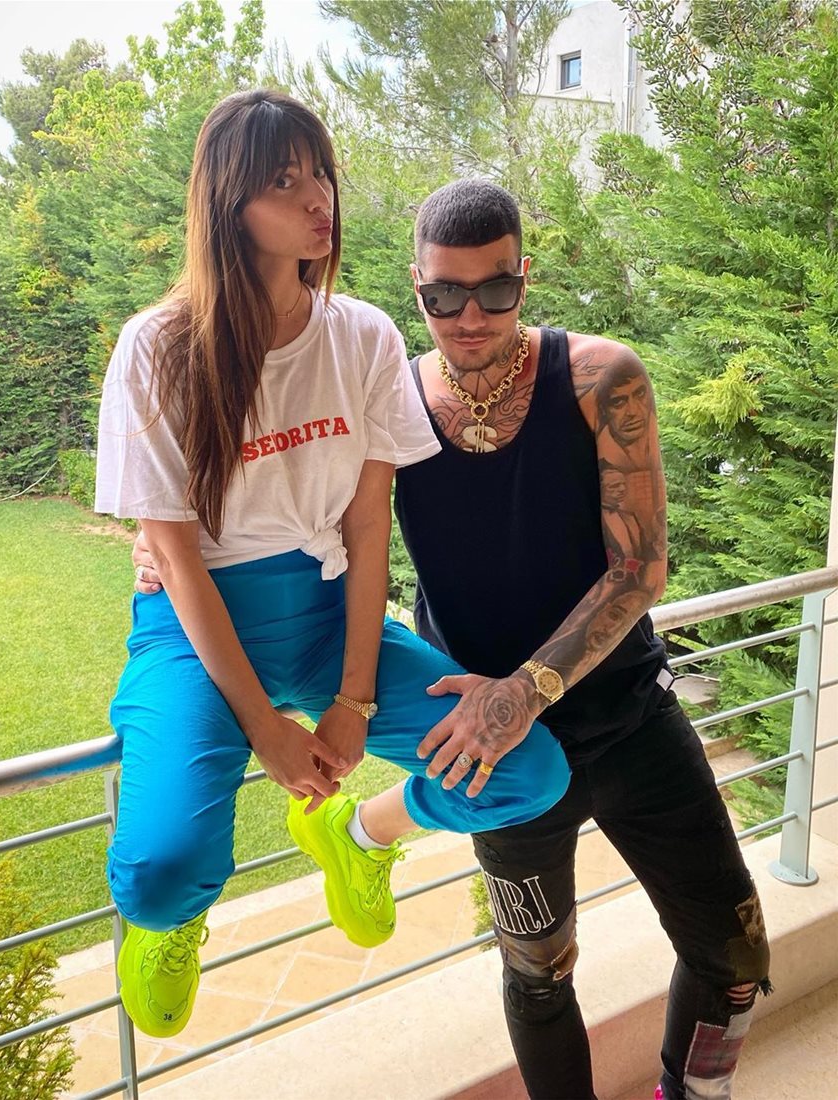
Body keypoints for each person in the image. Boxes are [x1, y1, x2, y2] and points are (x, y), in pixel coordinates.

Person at [131, 174, 771, 1098]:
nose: (471, 317)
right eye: (444, 295)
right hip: (480, 744)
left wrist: (524, 691)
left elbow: (640, 570)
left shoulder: (600, 376)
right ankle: (362, 834)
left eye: (497, 289)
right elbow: (296, 492)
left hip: (628, 720)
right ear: (417, 286)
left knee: (736, 958)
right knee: (539, 977)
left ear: (525, 276)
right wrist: (161, 543)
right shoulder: (386, 390)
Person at [96, 94, 569, 1042]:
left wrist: (352, 701)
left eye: (322, 173)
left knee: (527, 773)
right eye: (286, 181)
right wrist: (264, 727)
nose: (320, 199)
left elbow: (366, 524)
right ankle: (169, 921)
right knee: (158, 869)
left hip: (324, 617)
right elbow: (175, 557)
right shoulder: (159, 346)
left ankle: (353, 837)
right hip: (194, 633)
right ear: (229, 203)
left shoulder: (363, 334)